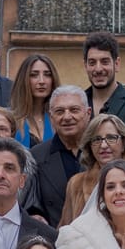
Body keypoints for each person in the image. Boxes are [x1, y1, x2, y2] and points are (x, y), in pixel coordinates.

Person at [59, 113, 125, 225]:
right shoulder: (76, 183)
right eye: (97, 139)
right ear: (90, 146)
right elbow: (65, 231)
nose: (103, 145)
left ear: (123, 143)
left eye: (111, 138)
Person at [27, 85, 92, 224]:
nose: (67, 117)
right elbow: (32, 206)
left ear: (88, 113)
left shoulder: (102, 152)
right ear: (51, 117)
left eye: (74, 110)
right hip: (53, 239)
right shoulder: (36, 156)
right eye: (59, 111)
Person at [7, 52, 60, 149]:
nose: (41, 81)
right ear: (24, 79)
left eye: (47, 75)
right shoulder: (9, 119)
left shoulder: (60, 118)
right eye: (34, 75)